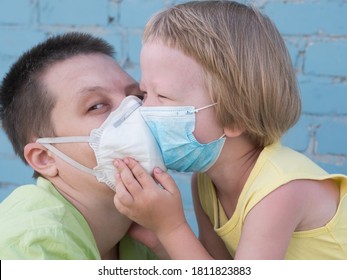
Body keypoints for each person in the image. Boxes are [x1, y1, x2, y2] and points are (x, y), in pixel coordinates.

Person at [113, 1, 347, 259]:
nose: (145, 110)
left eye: (164, 96)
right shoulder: (204, 180)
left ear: (235, 116)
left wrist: (170, 226)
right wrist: (157, 239)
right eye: (145, 93)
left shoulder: (280, 192)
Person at [0, 32, 163, 259]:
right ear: (44, 158)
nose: (134, 111)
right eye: (96, 106)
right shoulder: (31, 243)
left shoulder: (142, 229)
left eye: (137, 95)